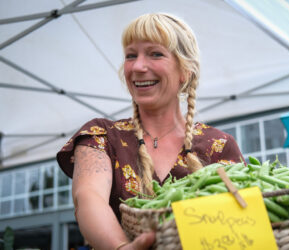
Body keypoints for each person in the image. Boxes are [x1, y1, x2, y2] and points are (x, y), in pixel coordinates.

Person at [57, 13, 243, 250]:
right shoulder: (101, 136)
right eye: (130, 56)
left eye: (155, 54)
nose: (138, 66)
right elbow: (88, 197)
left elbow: (239, 220)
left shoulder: (219, 144)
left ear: (185, 70)